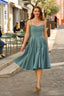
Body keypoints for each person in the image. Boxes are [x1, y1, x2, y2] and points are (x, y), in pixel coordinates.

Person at [13, 6, 51, 91]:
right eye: (35, 11)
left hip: (41, 44)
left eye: (38, 11)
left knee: (40, 63)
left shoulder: (44, 21)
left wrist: (47, 44)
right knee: (36, 63)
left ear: (40, 12)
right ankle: (38, 81)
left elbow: (45, 33)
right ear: (33, 12)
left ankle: (38, 83)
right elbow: (27, 34)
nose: (37, 12)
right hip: (33, 43)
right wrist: (23, 45)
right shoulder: (29, 22)